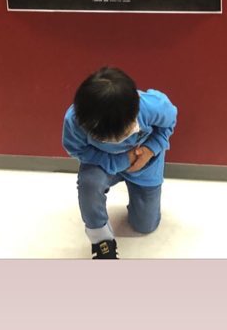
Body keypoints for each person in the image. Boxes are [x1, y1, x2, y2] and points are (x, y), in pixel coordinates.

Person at [62, 67, 177, 259]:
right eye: (105, 138)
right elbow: (78, 150)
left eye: (123, 134)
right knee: (89, 184)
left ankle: (139, 202)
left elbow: (168, 124)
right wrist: (121, 160)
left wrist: (151, 149)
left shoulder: (153, 107)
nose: (117, 141)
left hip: (145, 163)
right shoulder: (75, 121)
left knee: (145, 226)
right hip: (102, 163)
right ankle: (101, 241)